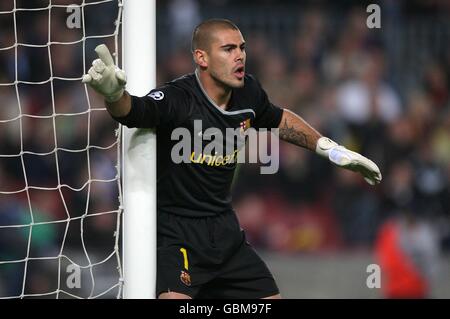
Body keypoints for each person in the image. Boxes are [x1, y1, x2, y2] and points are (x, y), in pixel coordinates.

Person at [82, 19, 381, 299]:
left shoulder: (248, 92)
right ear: (202, 58)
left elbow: (278, 120)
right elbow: (133, 111)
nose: (240, 56)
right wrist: (112, 94)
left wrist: (331, 149)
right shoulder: (178, 99)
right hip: (177, 233)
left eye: (242, 48)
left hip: (225, 231)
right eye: (228, 49)